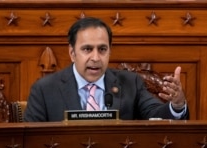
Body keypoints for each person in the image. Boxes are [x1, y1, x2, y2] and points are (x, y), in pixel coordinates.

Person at [24, 17, 189, 122]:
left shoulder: (131, 83)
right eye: (87, 49)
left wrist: (177, 105)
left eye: (102, 49)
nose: (96, 58)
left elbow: (156, 115)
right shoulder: (44, 90)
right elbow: (31, 141)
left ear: (110, 51)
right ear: (72, 53)